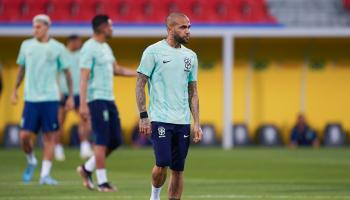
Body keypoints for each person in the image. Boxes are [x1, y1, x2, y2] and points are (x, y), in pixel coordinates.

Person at [136, 12, 203, 200]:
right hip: (160, 119)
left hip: (182, 121)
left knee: (178, 169)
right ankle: (154, 196)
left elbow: (193, 92)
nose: (188, 31)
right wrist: (143, 115)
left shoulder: (191, 56)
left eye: (189, 27)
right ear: (170, 29)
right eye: (183, 27)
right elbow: (140, 83)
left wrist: (196, 123)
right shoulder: (153, 52)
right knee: (162, 163)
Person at [76, 14, 137, 192]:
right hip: (96, 100)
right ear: (102, 27)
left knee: (116, 140)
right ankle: (103, 182)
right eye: (110, 26)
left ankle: (87, 168)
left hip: (109, 99)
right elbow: (84, 78)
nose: (112, 29)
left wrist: (139, 73)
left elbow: (116, 69)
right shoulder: (88, 48)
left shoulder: (106, 47)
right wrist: (83, 104)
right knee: (102, 141)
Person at [11, 14, 74, 185]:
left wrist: (69, 97)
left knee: (50, 137)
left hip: (50, 98)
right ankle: (31, 160)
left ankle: (45, 175)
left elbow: (67, 73)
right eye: (33, 27)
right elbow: (21, 70)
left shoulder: (58, 48)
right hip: (30, 99)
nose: (34, 30)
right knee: (24, 136)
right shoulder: (26, 45)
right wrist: (15, 90)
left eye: (38, 27)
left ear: (46, 27)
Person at [55, 35, 93, 161]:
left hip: (79, 93)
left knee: (84, 120)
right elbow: (55, 74)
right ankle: (58, 148)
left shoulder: (81, 54)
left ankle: (84, 147)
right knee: (60, 122)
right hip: (63, 93)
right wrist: (58, 90)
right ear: (71, 42)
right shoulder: (61, 53)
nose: (80, 44)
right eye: (78, 42)